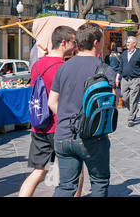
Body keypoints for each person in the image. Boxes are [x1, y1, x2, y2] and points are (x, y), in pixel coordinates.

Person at [48, 22, 117, 197]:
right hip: (92, 137)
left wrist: (69, 118)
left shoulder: (62, 67)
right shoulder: (104, 69)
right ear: (96, 42)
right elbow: (113, 104)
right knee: (99, 183)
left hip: (63, 135)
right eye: (102, 38)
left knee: (65, 187)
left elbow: (52, 102)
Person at [18, 26, 78, 197]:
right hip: (60, 127)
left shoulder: (37, 64)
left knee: (39, 171)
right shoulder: (64, 67)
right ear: (63, 42)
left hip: (39, 125)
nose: (75, 46)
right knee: (75, 173)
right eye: (73, 42)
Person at [116, 36, 140, 127]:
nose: (127, 44)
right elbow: (121, 66)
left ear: (134, 44)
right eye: (127, 42)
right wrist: (117, 77)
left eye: (129, 42)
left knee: (133, 99)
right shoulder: (124, 53)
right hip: (125, 79)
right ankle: (134, 110)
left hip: (135, 79)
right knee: (125, 98)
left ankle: (131, 118)